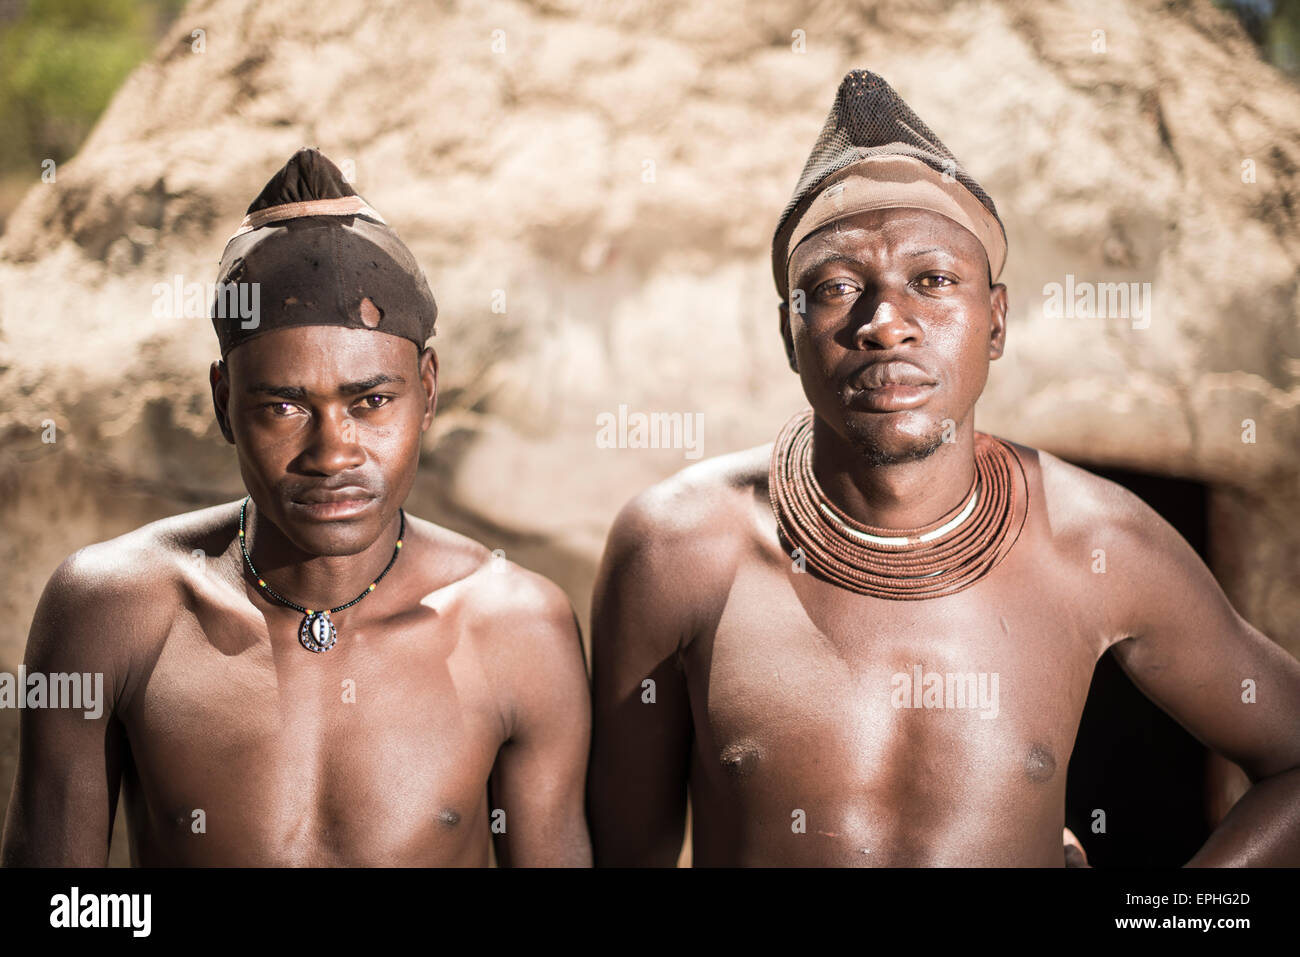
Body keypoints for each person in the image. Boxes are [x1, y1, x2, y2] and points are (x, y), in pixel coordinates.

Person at [586, 70, 1300, 866]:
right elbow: (622, 853)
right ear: (789, 336)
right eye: (835, 288)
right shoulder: (675, 549)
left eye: (932, 281)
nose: (886, 323)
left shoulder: (1099, 543)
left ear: (996, 321)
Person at [1, 149, 591, 866]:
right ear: (223, 401)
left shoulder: (517, 629)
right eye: (284, 405)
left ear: (428, 390)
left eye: (371, 401)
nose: (333, 452)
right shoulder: (110, 610)